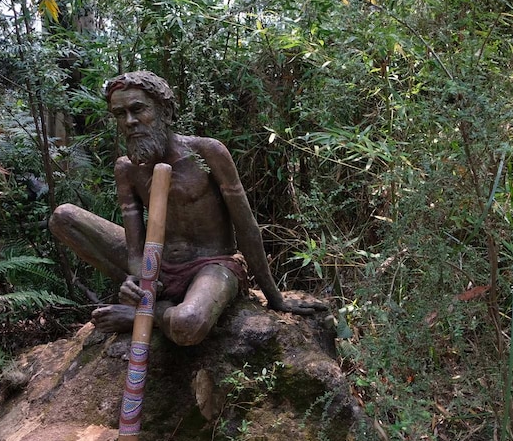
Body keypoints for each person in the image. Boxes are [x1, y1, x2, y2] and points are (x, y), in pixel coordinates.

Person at [50, 70, 323, 346]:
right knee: (63, 217)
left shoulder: (208, 152)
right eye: (120, 114)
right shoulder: (127, 168)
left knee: (187, 323)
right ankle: (147, 300)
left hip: (212, 264)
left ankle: (146, 315)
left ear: (165, 112)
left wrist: (274, 297)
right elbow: (135, 247)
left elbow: (247, 227)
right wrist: (136, 279)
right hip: (158, 263)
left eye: (137, 110)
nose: (130, 122)